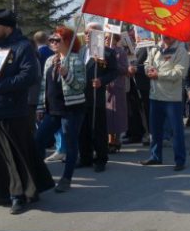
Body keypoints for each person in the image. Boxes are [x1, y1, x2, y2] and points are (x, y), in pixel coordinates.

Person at [0, 9, 54, 215]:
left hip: (10, 111)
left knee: (14, 157)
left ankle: (19, 196)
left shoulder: (23, 47)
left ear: (8, 27)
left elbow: (29, 76)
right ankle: (1, 193)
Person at [34, 26, 86, 193]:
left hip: (71, 109)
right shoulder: (50, 60)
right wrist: (40, 107)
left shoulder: (75, 60)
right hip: (52, 110)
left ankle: (66, 179)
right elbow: (44, 86)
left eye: (57, 40)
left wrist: (66, 74)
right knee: (38, 140)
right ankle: (39, 177)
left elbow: (80, 86)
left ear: (67, 42)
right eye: (51, 40)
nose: (53, 43)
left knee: (71, 144)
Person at [140, 33, 190, 171]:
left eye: (168, 34)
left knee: (176, 131)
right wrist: (148, 70)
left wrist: (159, 75)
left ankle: (180, 160)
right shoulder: (155, 48)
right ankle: (155, 156)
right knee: (155, 130)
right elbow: (146, 63)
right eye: (163, 33)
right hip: (155, 95)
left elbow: (180, 73)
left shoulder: (181, 51)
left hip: (172, 98)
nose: (165, 36)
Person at [79, 23, 118, 173]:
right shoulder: (82, 50)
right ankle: (85, 157)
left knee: (98, 129)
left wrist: (102, 80)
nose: (87, 35)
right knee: (83, 128)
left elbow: (114, 72)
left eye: (91, 33)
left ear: (98, 34)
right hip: (82, 95)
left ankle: (101, 158)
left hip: (97, 96)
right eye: (86, 33)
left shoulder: (107, 52)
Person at [105, 33, 130, 152]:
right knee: (108, 114)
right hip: (105, 86)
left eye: (109, 37)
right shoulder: (102, 51)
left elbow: (125, 69)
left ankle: (117, 139)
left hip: (117, 85)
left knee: (118, 114)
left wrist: (113, 63)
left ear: (115, 39)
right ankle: (110, 140)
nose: (106, 39)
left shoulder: (121, 52)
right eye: (105, 37)